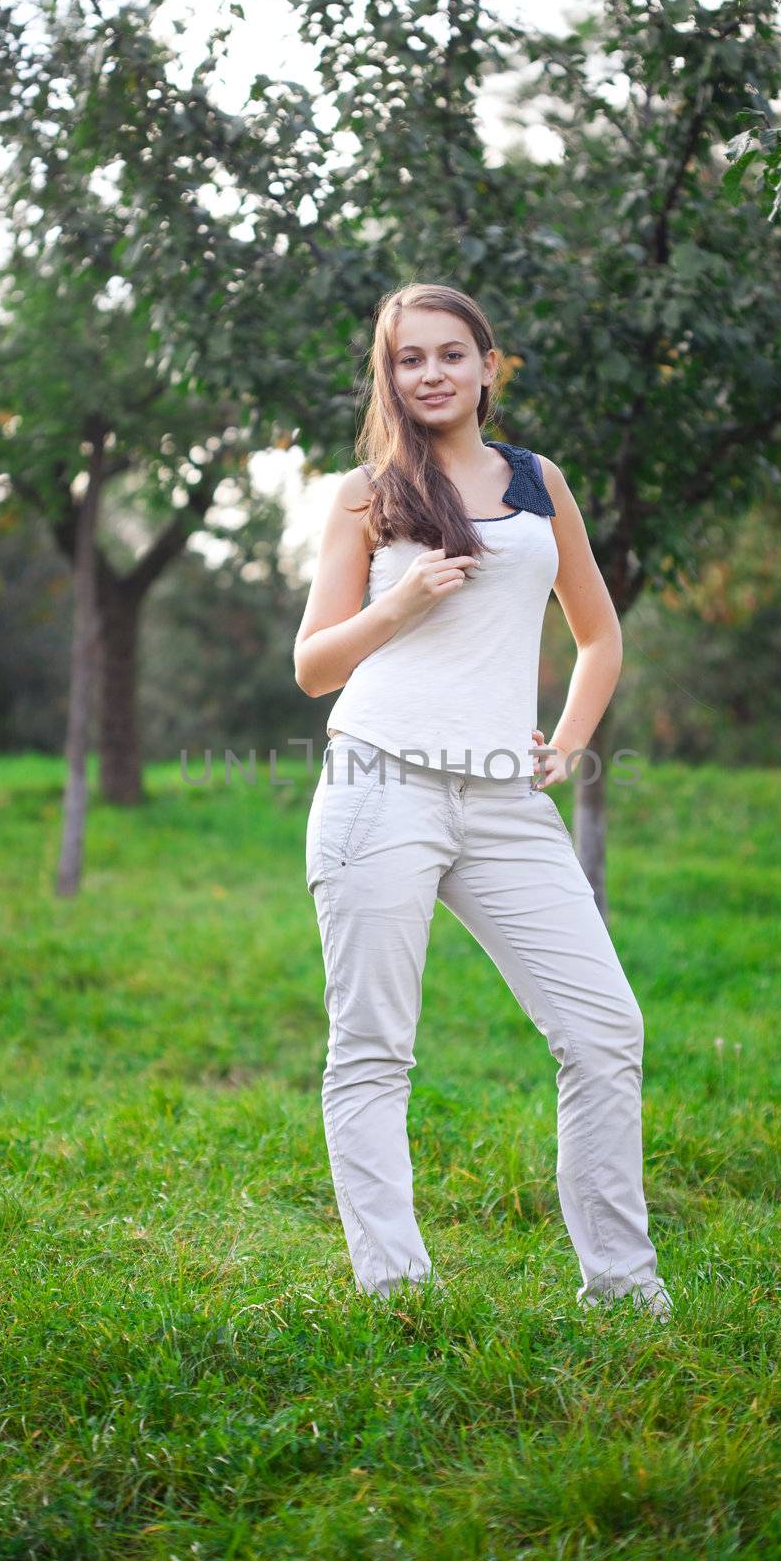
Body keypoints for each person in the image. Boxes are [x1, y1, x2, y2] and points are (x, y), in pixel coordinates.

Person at [293, 281, 671, 1321]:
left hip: (508, 802)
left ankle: (622, 1289)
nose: (430, 373)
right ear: (389, 373)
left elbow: (597, 633)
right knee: (372, 1047)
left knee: (603, 1029)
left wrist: (570, 738)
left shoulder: (539, 481)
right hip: (380, 786)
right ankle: (398, 1291)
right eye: (409, 358)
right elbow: (313, 666)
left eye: (450, 354)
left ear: (488, 365)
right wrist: (400, 600)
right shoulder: (365, 495)